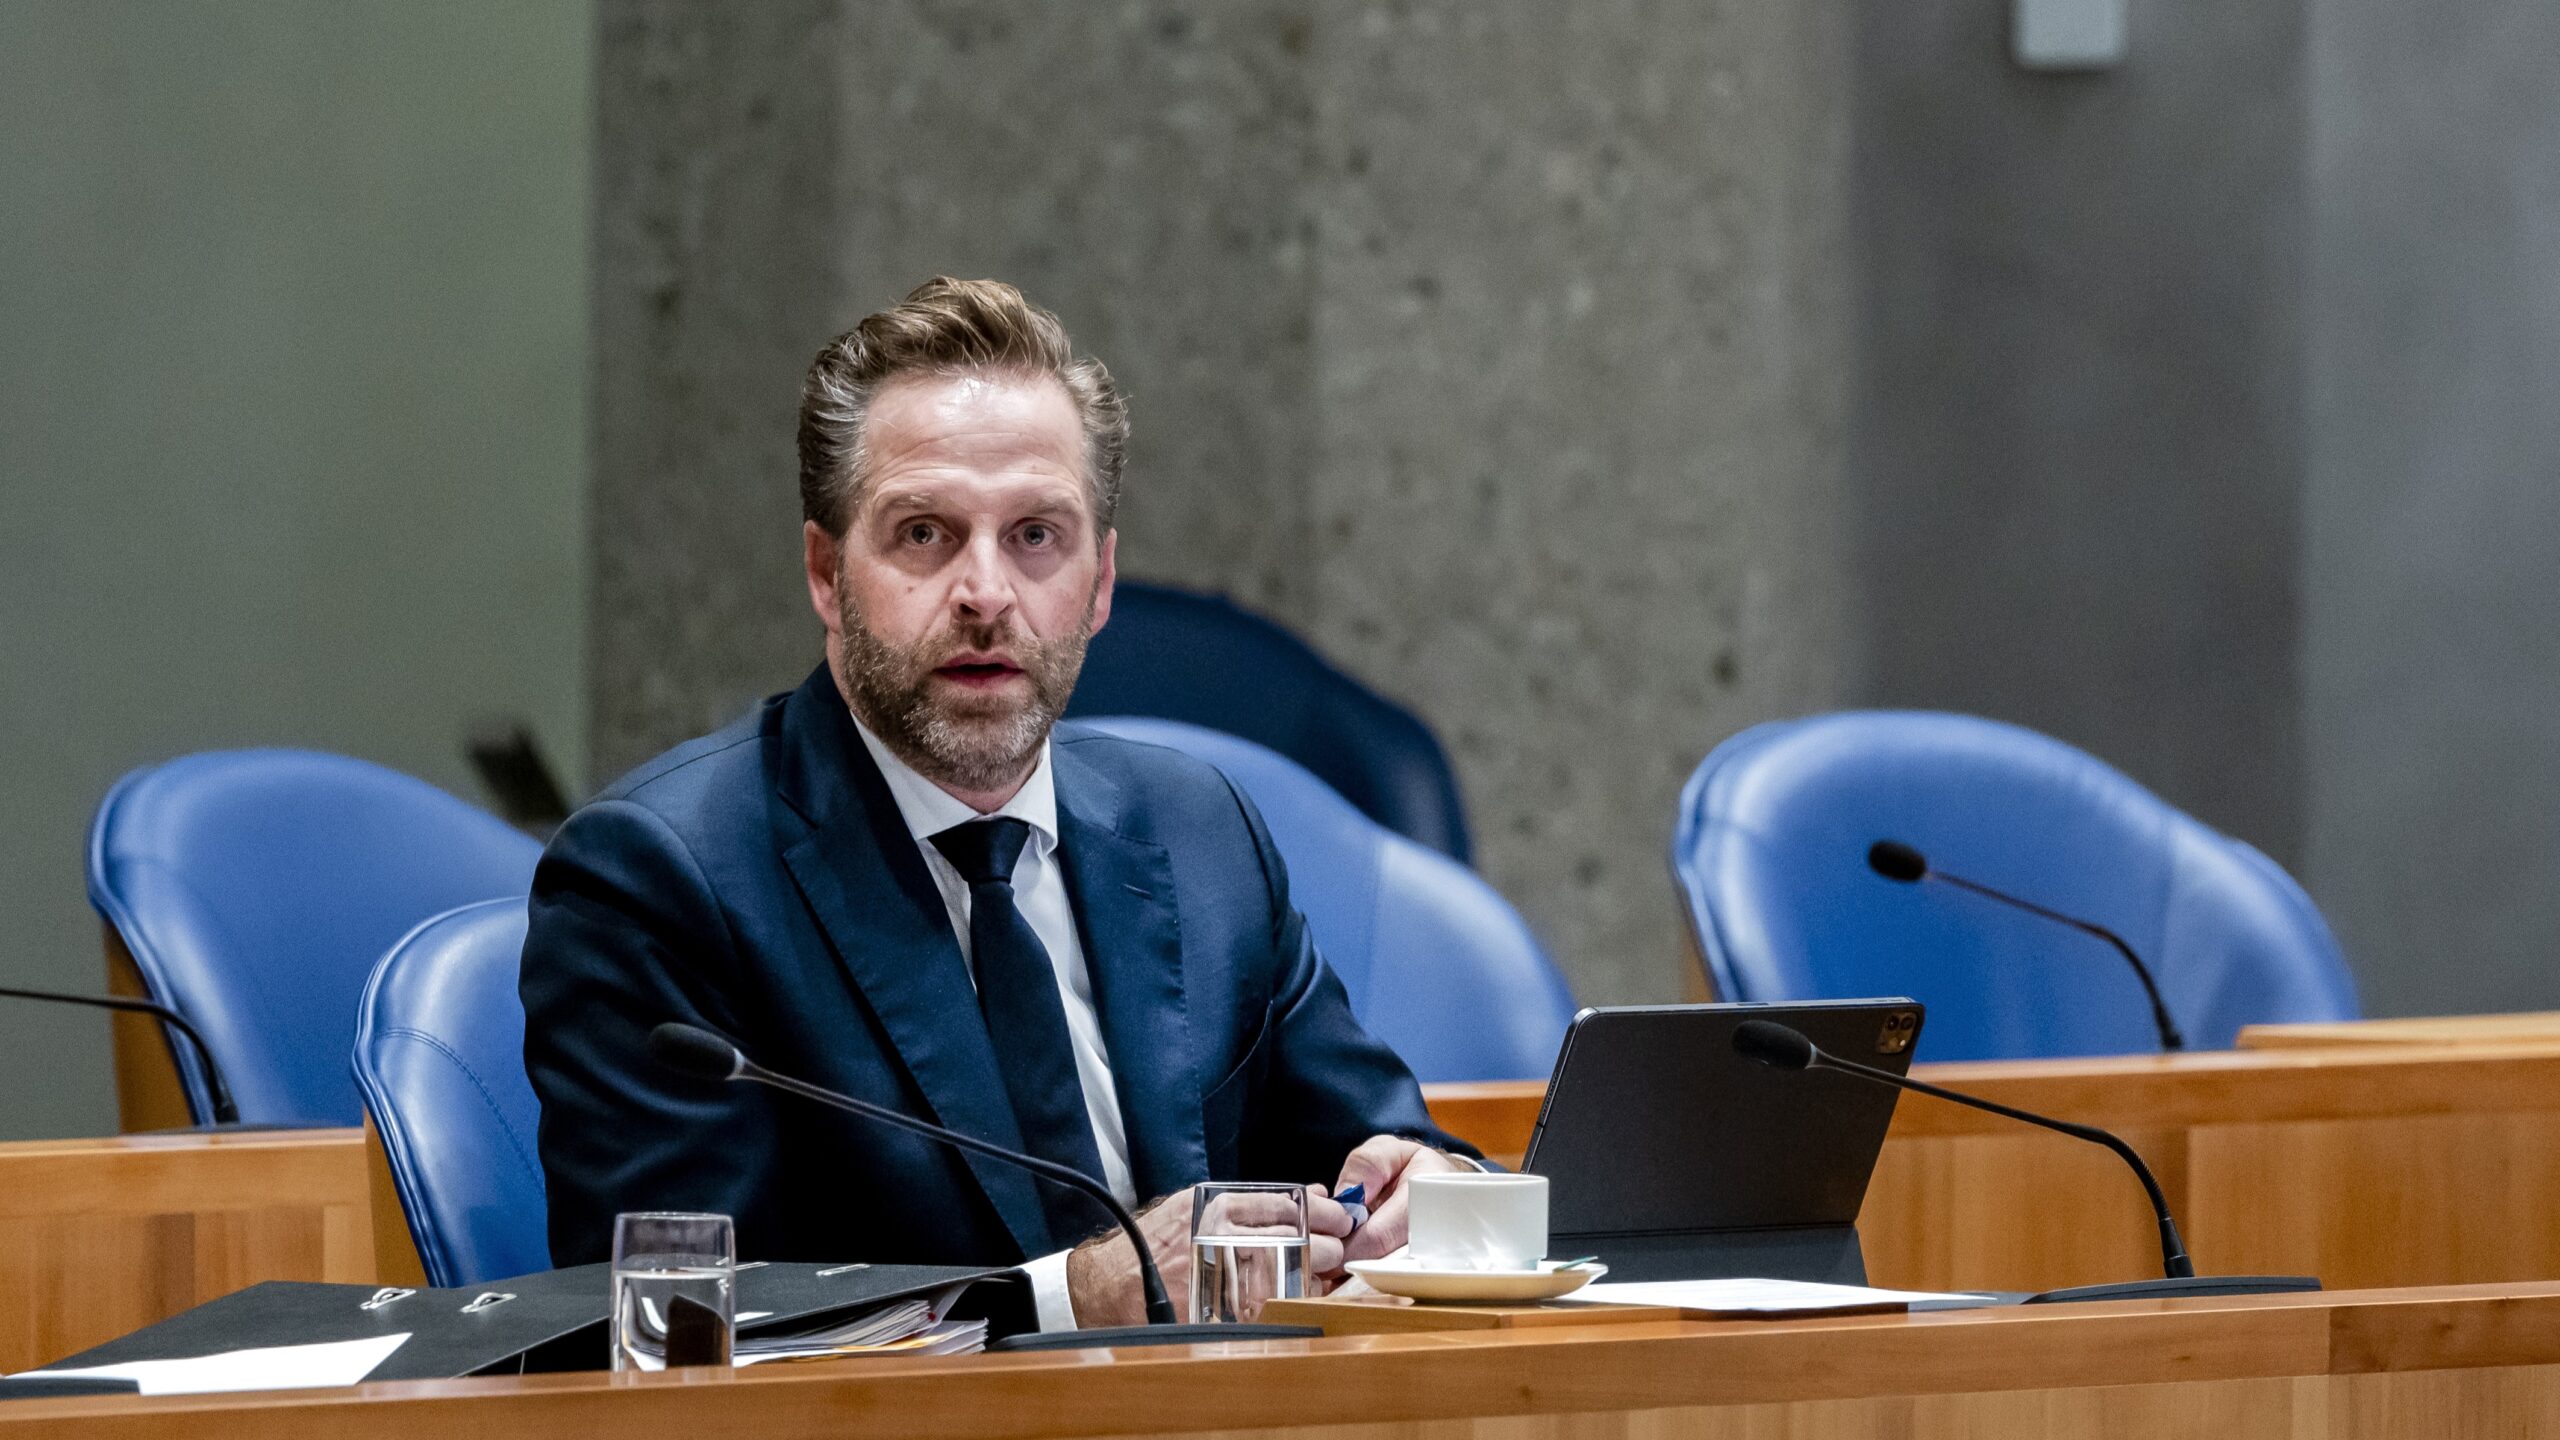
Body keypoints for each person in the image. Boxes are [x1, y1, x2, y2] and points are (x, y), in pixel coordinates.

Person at [521, 276, 1480, 1330]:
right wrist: (1059, 1301)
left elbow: (1383, 1153)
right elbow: (671, 1334)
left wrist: (1421, 1195)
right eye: (925, 534)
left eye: (1035, 535)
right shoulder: (661, 879)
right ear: (825, 574)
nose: (985, 594)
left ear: (1101, 581)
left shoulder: (1199, 831)